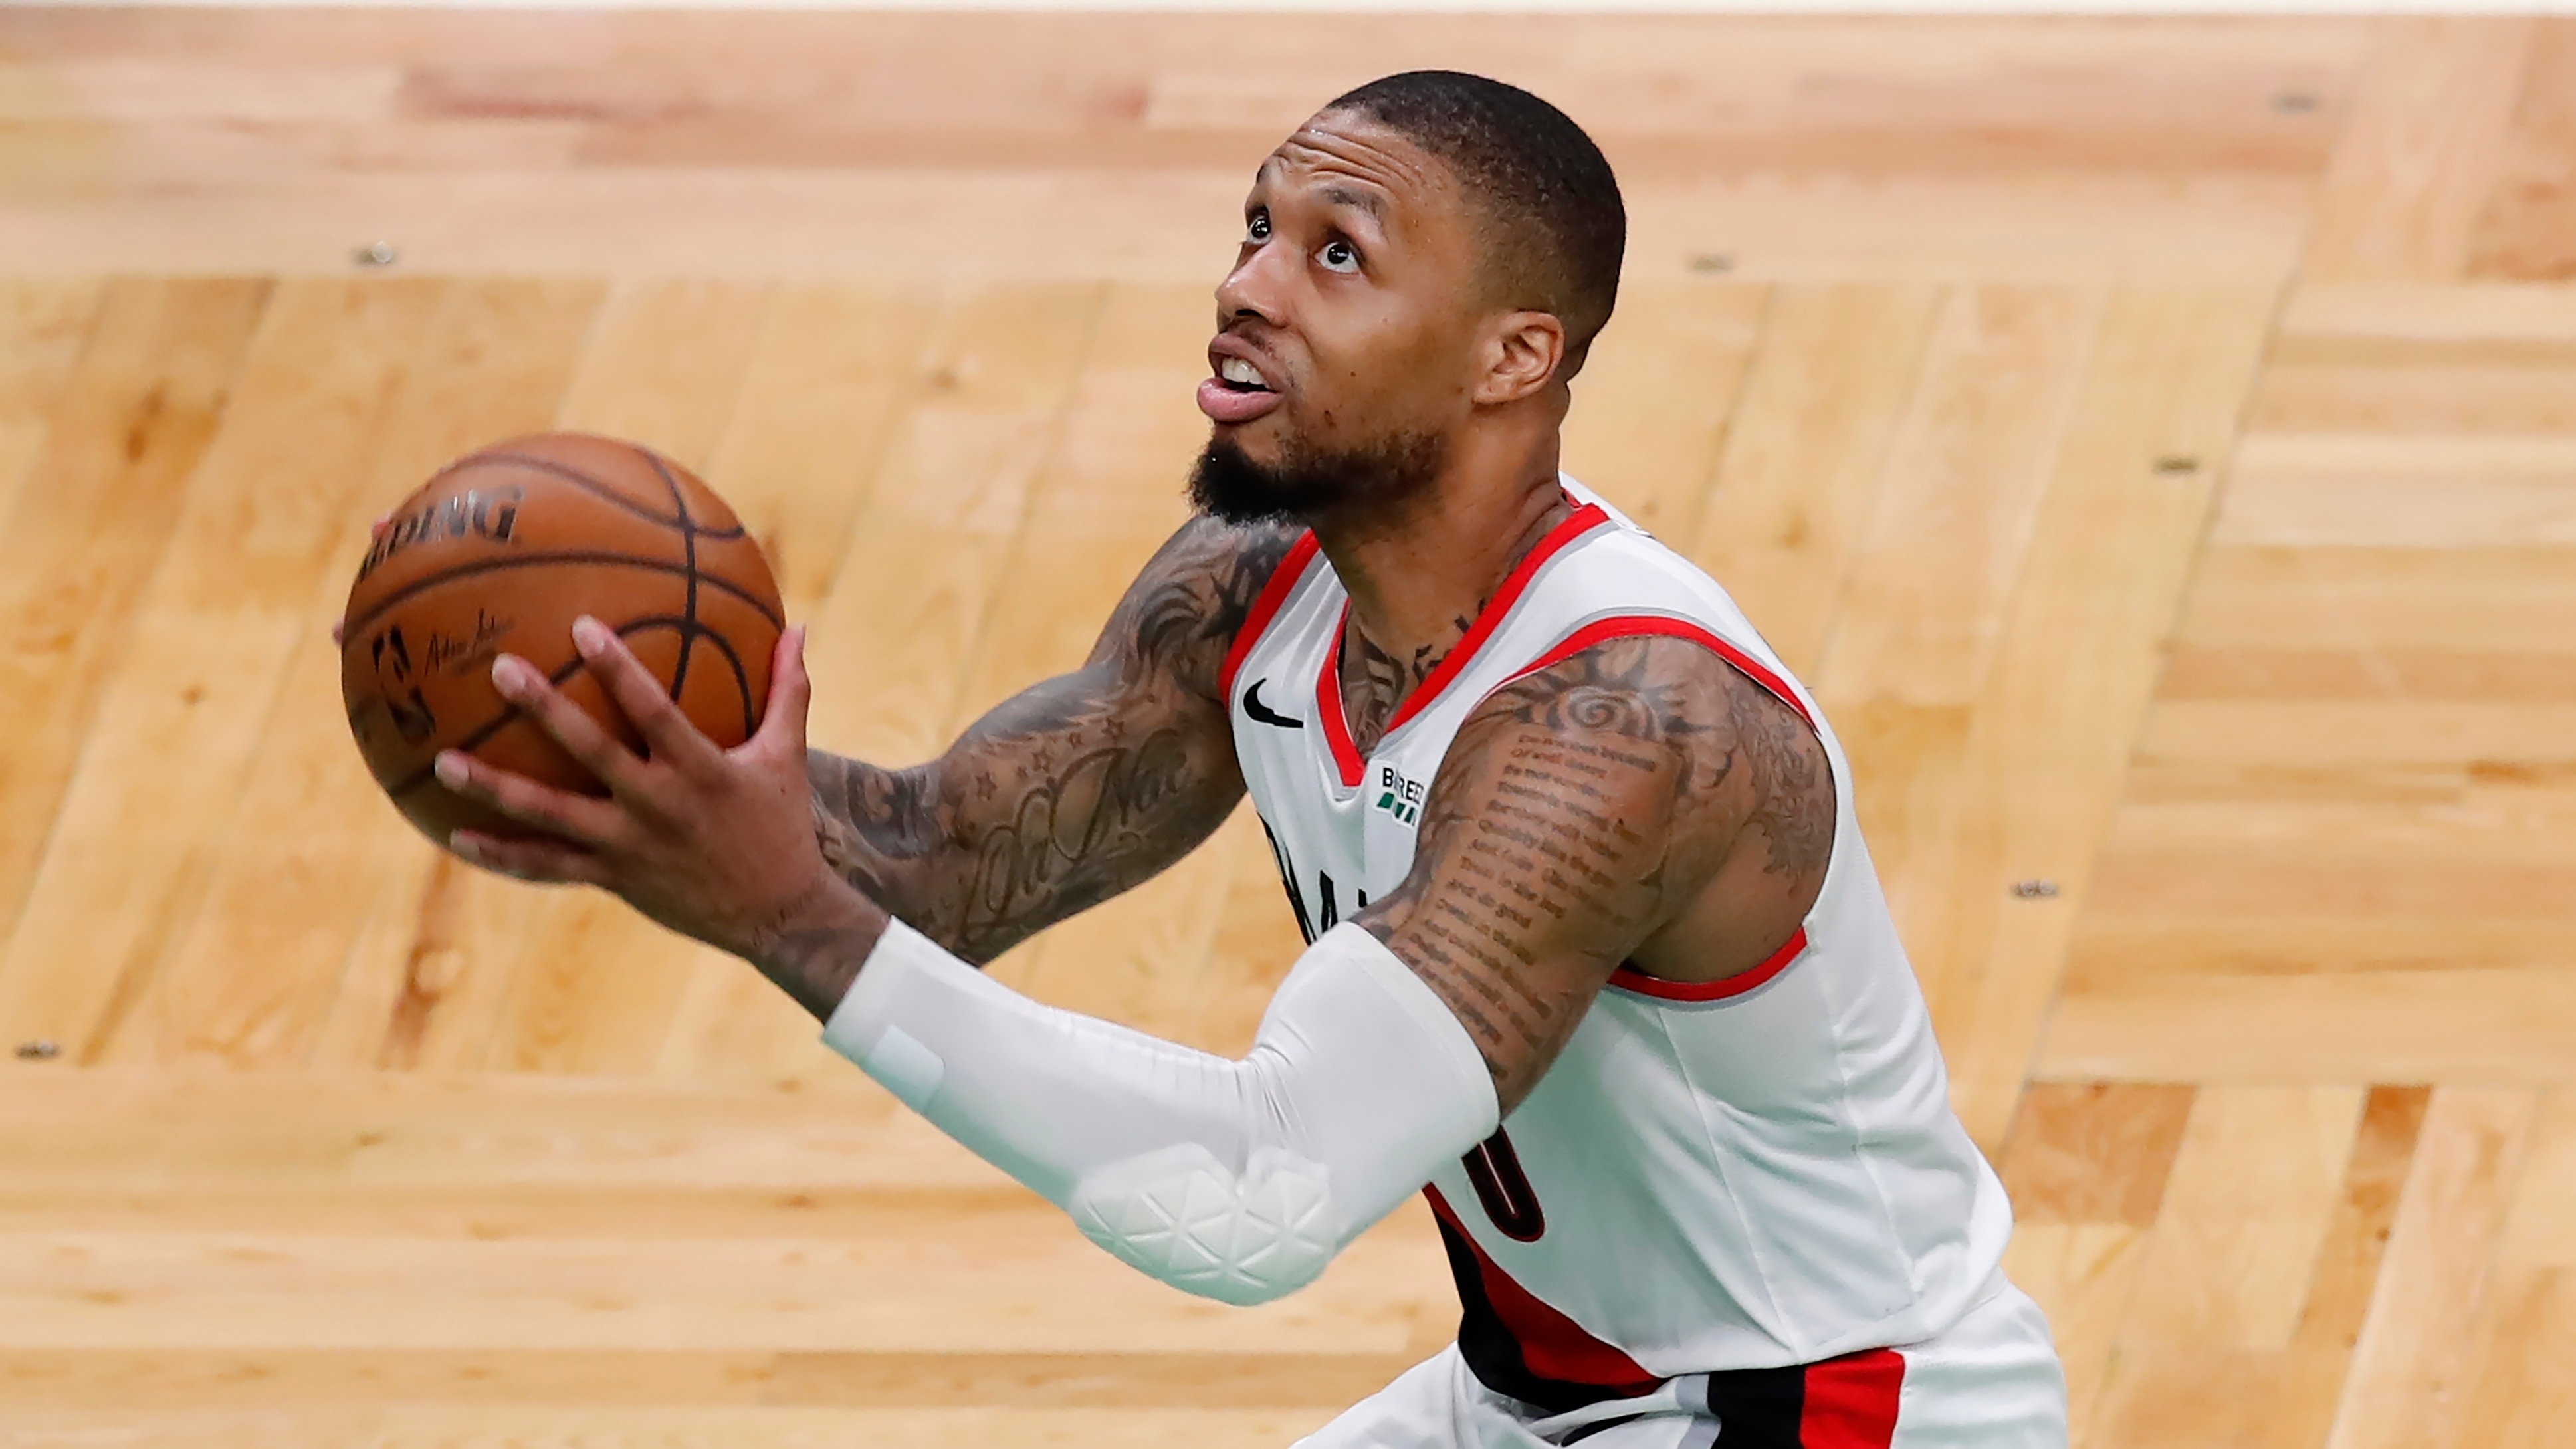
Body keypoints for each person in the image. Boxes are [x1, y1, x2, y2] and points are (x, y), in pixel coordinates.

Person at [429, 70, 2068, 1449]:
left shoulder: (1626, 727)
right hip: (1555, 1390)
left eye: (1337, 255)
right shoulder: (1256, 585)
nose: (1250, 285)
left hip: (1834, 1407)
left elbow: (1257, 1193)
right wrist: (625, 773)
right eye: (1256, 227)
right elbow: (949, 862)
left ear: (1514, 356)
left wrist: (785, 911)